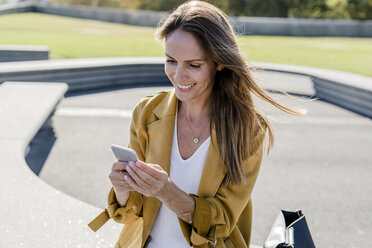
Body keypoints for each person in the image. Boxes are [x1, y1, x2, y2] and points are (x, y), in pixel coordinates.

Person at [88, 1, 301, 247]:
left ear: (219, 62)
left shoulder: (248, 129)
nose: (178, 76)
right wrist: (123, 188)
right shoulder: (147, 112)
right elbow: (130, 214)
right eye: (171, 61)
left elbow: (222, 221)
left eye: (193, 65)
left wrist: (166, 191)